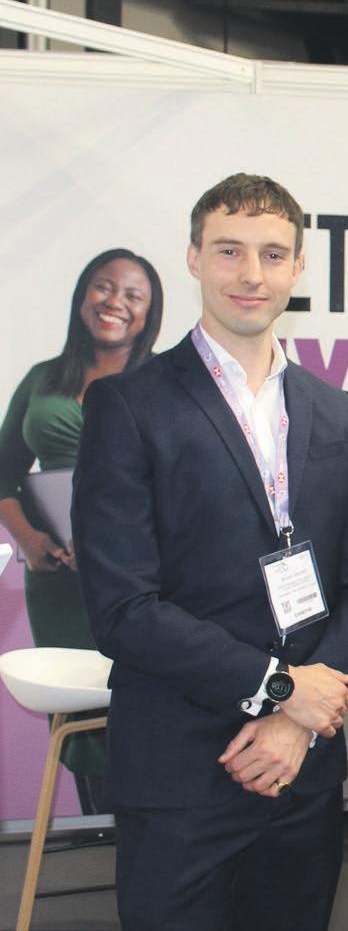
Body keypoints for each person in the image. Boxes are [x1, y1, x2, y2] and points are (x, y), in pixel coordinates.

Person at [73, 173, 348, 931]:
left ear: (298, 267)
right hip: (182, 771)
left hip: (301, 769)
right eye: (229, 250)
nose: (251, 274)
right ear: (193, 257)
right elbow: (124, 608)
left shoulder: (332, 409)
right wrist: (278, 691)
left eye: (272, 254)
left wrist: (297, 720)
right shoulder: (128, 405)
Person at [0, 248, 163, 814]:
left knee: (143, 702)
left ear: (150, 313)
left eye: (133, 295)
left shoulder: (166, 381)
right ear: (82, 296)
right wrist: (29, 539)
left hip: (140, 581)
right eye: (103, 287)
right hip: (60, 584)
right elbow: (4, 471)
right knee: (77, 712)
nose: (115, 302)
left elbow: (188, 485)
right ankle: (102, 827)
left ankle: (148, 832)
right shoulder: (43, 379)